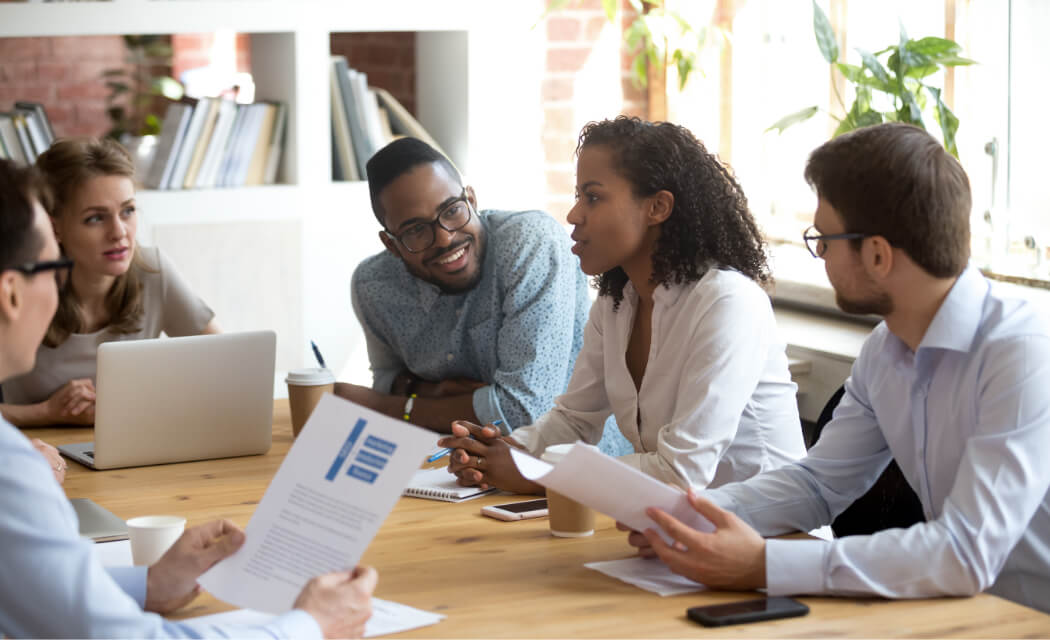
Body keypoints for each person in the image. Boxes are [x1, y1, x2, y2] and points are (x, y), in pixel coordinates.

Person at [623, 122, 1050, 614]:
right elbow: (820, 484)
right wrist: (688, 515)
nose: (819, 255)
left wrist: (763, 564)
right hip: (961, 611)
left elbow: (965, 552)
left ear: (877, 254)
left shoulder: (1020, 354)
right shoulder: (886, 349)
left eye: (823, 240)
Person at [0, 158, 376, 638]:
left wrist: (147, 583)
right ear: (12, 294)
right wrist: (310, 626)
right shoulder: (12, 471)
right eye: (52, 264)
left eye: (128, 211)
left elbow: (26, 588)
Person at [440, 117, 806, 491]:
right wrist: (499, 451)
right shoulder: (617, 305)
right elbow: (574, 421)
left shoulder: (727, 302)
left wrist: (538, 474)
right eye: (578, 196)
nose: (574, 214)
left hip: (772, 537)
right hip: (673, 529)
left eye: (593, 197)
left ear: (657, 207)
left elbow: (681, 473)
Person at [335, 137, 591, 435]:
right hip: (446, 464)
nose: (445, 238)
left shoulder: (529, 243)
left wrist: (388, 408)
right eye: (416, 230)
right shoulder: (374, 285)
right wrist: (431, 392)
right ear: (391, 245)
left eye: (452, 210)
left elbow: (523, 413)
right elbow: (387, 380)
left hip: (568, 465)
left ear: (471, 199)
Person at [0, 137, 219, 427]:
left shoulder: (152, 270)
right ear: (55, 227)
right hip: (36, 452)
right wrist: (45, 412)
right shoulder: (24, 286)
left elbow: (221, 363)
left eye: (127, 211)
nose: (119, 232)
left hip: (131, 440)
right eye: (95, 218)